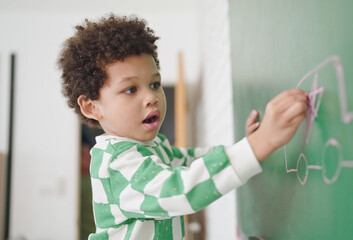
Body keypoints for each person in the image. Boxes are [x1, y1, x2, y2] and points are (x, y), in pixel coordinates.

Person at [58, 14, 308, 240]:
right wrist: (260, 144)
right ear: (92, 107)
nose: (151, 97)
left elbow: (194, 161)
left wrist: (246, 147)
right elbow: (181, 191)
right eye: (130, 89)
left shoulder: (151, 148)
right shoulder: (116, 164)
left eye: (154, 84)